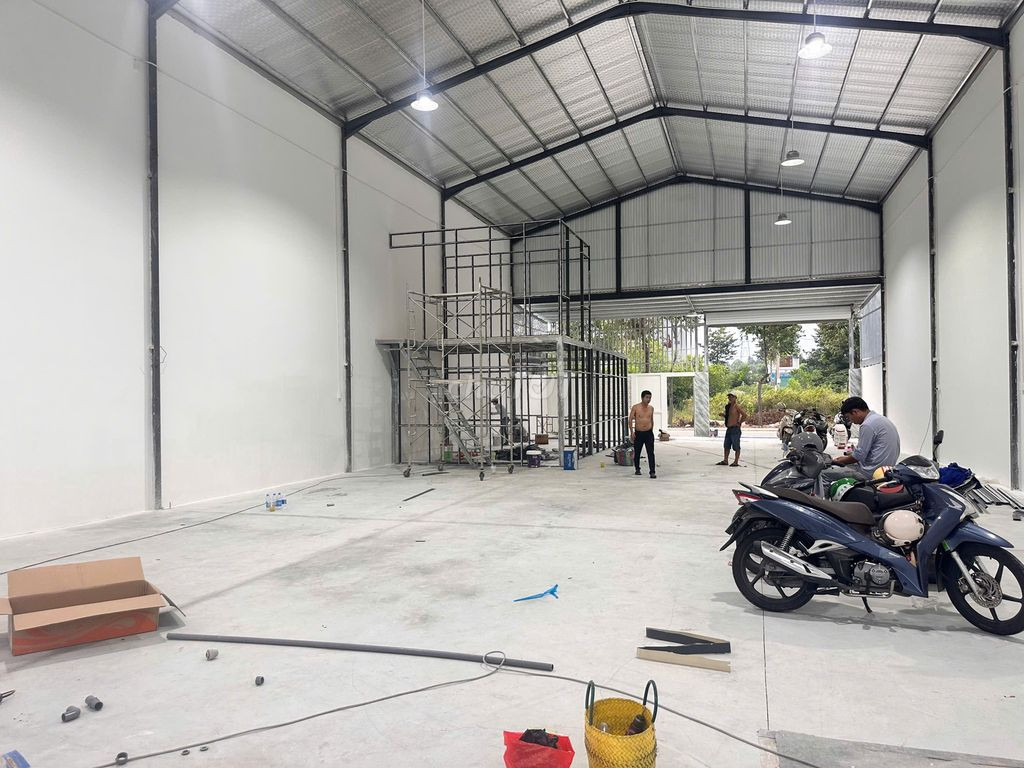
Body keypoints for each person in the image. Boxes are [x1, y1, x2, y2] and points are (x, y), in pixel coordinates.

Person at [829, 396, 900, 478]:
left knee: (827, 473)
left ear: (855, 412)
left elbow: (858, 456)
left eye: (848, 417)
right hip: (887, 469)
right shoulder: (881, 419)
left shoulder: (867, 425)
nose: (851, 421)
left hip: (871, 471)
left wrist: (840, 460)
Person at [629, 390, 656, 478]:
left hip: (648, 433)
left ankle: (652, 471)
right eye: (647, 397)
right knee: (637, 452)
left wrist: (651, 430)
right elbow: (630, 420)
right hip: (639, 433)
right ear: (642, 398)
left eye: (650, 397)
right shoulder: (636, 407)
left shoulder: (651, 408)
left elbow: (651, 420)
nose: (648, 399)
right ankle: (637, 469)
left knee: (651, 453)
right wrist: (632, 432)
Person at [717, 391, 747, 467]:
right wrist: (724, 415)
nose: (730, 398)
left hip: (735, 429)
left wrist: (739, 422)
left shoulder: (737, 406)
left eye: (732, 397)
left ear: (735, 398)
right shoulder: (728, 407)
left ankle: (736, 461)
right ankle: (725, 460)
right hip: (729, 428)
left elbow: (744, 415)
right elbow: (729, 416)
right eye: (729, 397)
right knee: (726, 445)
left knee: (736, 445)